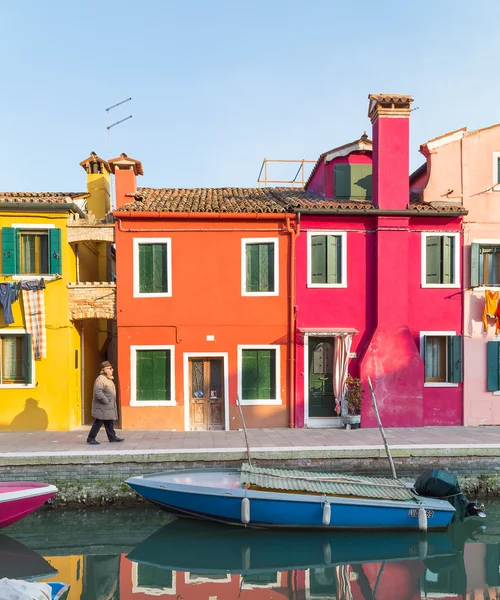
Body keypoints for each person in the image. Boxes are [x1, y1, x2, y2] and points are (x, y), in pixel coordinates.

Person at [87, 361, 124, 445]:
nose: (112, 370)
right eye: (110, 368)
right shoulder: (100, 379)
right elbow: (98, 392)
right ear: (104, 370)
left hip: (108, 407)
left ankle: (112, 437)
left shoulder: (108, 379)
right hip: (102, 407)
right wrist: (106, 400)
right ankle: (91, 438)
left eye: (112, 368)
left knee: (109, 422)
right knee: (98, 422)